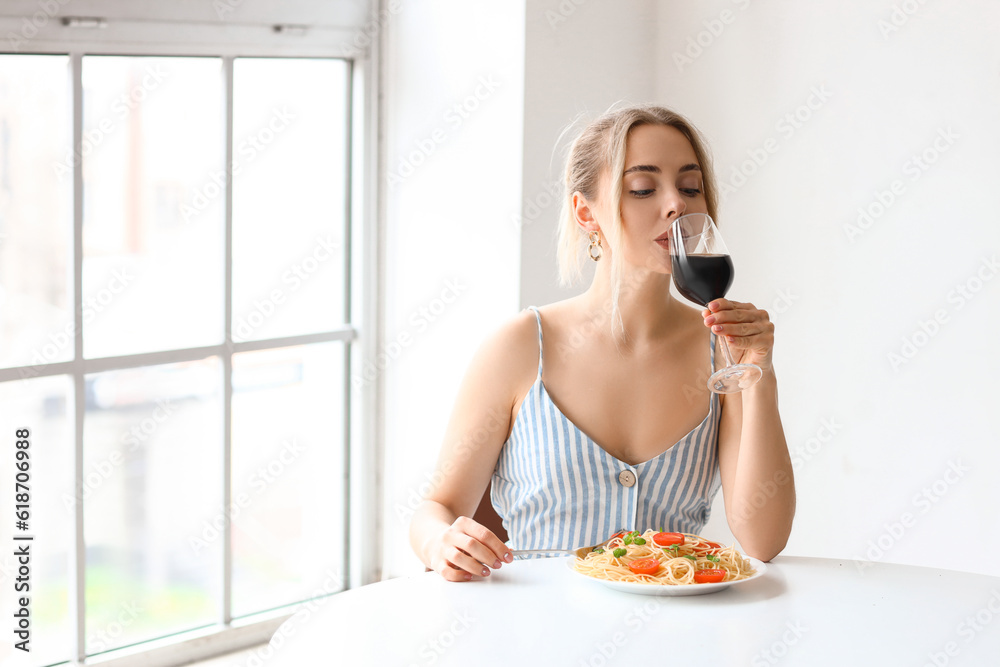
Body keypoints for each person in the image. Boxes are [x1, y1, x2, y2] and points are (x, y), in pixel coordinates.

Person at [409, 104, 795, 581]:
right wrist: (441, 542)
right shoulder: (520, 346)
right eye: (642, 189)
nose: (675, 204)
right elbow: (435, 510)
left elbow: (764, 541)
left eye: (690, 187)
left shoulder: (720, 352)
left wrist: (760, 373)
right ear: (586, 213)